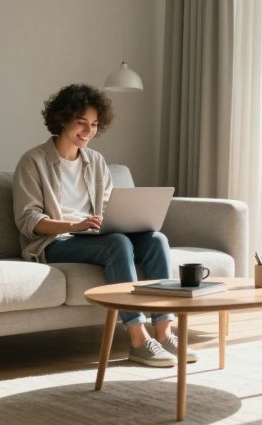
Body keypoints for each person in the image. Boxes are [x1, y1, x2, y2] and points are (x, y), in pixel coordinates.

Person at [12, 83, 197, 367]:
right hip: (55, 242)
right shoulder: (33, 161)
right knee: (117, 244)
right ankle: (137, 338)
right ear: (61, 119)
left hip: (95, 234)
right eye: (81, 123)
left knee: (156, 239)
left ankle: (164, 331)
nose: (89, 131)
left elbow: (111, 208)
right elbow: (29, 221)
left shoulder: (96, 161)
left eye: (95, 124)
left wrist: (120, 220)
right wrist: (76, 223)